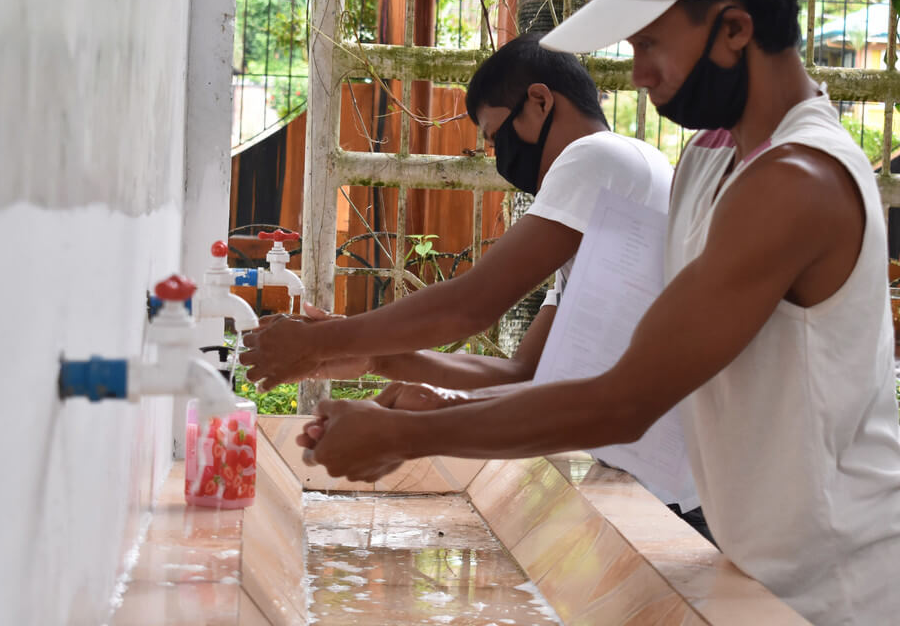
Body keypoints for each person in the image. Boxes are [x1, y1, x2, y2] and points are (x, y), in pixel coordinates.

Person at [289, 0, 900, 626]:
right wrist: (439, 397)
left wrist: (407, 435)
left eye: (648, 44)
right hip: (769, 578)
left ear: (735, 28)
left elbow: (623, 400)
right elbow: (624, 377)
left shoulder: (795, 182)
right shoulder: (710, 160)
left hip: (867, 591)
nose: (638, 74)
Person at [241, 32, 710, 540]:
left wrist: (320, 342)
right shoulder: (606, 199)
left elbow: (473, 305)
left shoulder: (596, 157)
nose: (497, 157)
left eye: (497, 136)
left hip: (685, 495)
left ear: (539, 100)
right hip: (673, 488)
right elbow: (523, 372)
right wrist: (380, 360)